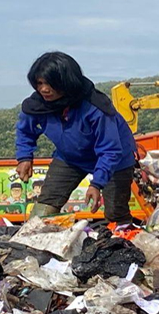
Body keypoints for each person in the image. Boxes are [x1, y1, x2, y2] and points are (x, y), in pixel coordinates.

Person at [15, 52, 138, 226]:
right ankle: (36, 241)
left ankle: (125, 237)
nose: (44, 89)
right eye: (40, 83)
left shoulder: (96, 108)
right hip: (70, 158)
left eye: (50, 84)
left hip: (116, 160)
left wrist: (97, 184)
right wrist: (24, 157)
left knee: (115, 213)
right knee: (44, 209)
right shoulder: (35, 106)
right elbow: (25, 131)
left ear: (66, 82)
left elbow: (110, 150)